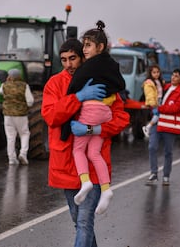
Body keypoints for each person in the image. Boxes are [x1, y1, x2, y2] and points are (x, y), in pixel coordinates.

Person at [42, 38, 129, 246]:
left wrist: (95, 129)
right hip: (65, 161)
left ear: (83, 57)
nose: (68, 64)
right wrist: (78, 97)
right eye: (63, 60)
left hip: (91, 164)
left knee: (83, 222)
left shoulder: (103, 82)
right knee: (78, 220)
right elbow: (51, 116)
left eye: (73, 58)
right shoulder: (54, 84)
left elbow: (121, 118)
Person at [62, 21, 125, 215]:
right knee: (94, 153)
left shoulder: (89, 67)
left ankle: (86, 181)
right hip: (104, 114)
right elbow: (120, 84)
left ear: (100, 47)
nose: (84, 49)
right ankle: (106, 190)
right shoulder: (112, 65)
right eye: (84, 45)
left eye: (88, 45)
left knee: (79, 150)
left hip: (90, 111)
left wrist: (75, 95)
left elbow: (73, 88)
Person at [146, 69, 180, 186]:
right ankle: (154, 173)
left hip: (169, 125)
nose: (173, 77)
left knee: (168, 152)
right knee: (152, 147)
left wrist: (158, 108)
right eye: (173, 75)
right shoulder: (165, 87)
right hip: (158, 122)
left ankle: (166, 175)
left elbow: (175, 108)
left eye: (176, 76)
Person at [0, 68, 34, 165]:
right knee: (24, 134)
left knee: (10, 137)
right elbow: (30, 101)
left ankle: (11, 159)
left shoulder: (4, 85)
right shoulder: (24, 86)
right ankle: (23, 153)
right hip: (21, 115)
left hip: (7, 115)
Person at [141, 64, 164, 138]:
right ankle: (148, 127)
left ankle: (151, 129)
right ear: (150, 73)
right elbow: (149, 94)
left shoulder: (159, 81)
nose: (156, 74)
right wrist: (153, 103)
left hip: (160, 100)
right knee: (157, 115)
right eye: (154, 72)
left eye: (157, 72)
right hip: (155, 101)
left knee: (159, 115)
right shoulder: (149, 82)